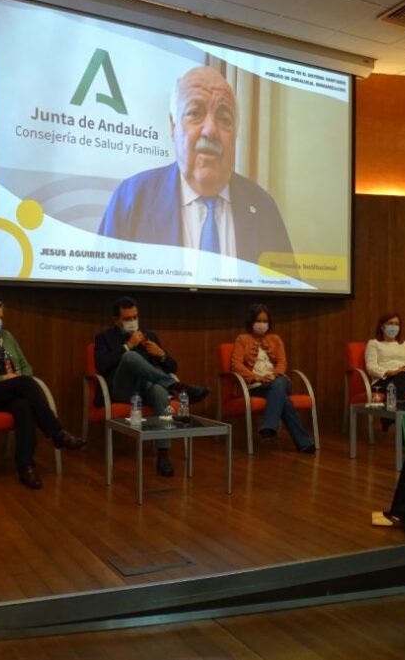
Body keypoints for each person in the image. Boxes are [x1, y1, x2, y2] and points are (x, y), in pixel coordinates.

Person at [98, 66, 295, 269]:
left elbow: (289, 296)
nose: (210, 130)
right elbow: (100, 295)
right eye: (194, 113)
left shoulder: (263, 208)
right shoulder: (131, 200)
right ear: (173, 126)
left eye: (224, 119)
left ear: (235, 133)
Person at [0, 299, 84, 490]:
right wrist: (1, 379)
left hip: (12, 393)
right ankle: (57, 433)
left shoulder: (7, 337)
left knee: (23, 405)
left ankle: (26, 468)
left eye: (1, 318)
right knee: (23, 384)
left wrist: (17, 380)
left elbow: (26, 367)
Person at [94, 296, 210, 477]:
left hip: (147, 389)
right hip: (122, 390)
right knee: (130, 358)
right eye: (127, 319)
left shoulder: (149, 336)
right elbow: (102, 366)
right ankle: (179, 387)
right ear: (117, 320)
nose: (133, 322)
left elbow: (172, 367)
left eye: (135, 317)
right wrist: (127, 346)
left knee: (158, 391)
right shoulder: (104, 337)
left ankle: (163, 455)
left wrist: (162, 354)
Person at [230, 304, 316, 454]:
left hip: (279, 380)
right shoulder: (242, 339)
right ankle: (304, 443)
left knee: (279, 384)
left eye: (265, 321)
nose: (262, 324)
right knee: (285, 402)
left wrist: (274, 374)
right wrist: (257, 377)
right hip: (256, 386)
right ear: (251, 321)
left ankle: (269, 424)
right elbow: (235, 364)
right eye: (258, 320)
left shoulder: (275, 339)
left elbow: (282, 362)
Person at [365, 312, 405, 430]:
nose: (394, 327)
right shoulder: (374, 344)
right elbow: (371, 367)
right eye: (390, 323)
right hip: (384, 380)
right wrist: (391, 372)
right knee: (401, 378)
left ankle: (389, 417)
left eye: (397, 324)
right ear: (382, 326)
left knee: (403, 376)